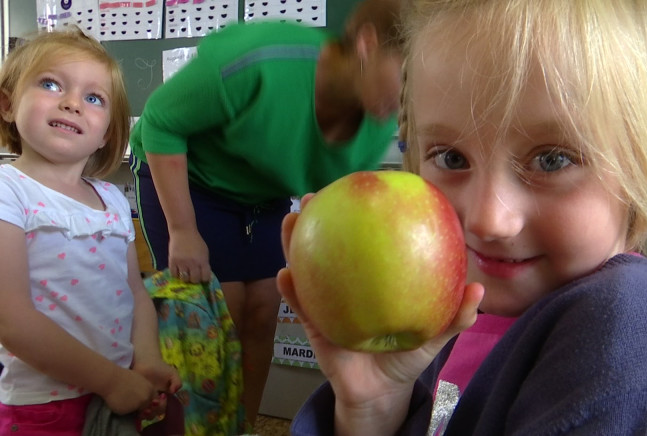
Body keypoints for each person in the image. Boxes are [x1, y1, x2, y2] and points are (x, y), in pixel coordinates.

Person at [278, 0, 647, 434]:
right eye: (451, 157)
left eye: (552, 160)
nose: (488, 221)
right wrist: (375, 406)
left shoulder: (627, 342)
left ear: (645, 166)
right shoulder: (462, 309)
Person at [129, 0, 404, 425]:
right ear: (368, 45)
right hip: (188, 177)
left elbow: (333, 204)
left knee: (262, 310)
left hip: (261, 195)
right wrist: (183, 231)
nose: (409, 100)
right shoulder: (259, 61)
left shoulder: (378, 118)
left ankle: (242, 427)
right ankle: (196, 430)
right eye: (409, 76)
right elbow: (163, 123)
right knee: (218, 312)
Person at [0, 28, 181, 435]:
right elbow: (11, 319)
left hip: (118, 397)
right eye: (51, 84)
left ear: (107, 134)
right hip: (43, 407)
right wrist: (111, 380)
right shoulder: (8, 191)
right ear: (8, 105)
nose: (71, 103)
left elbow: (135, 293)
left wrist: (148, 360)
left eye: (93, 98)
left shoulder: (113, 199)